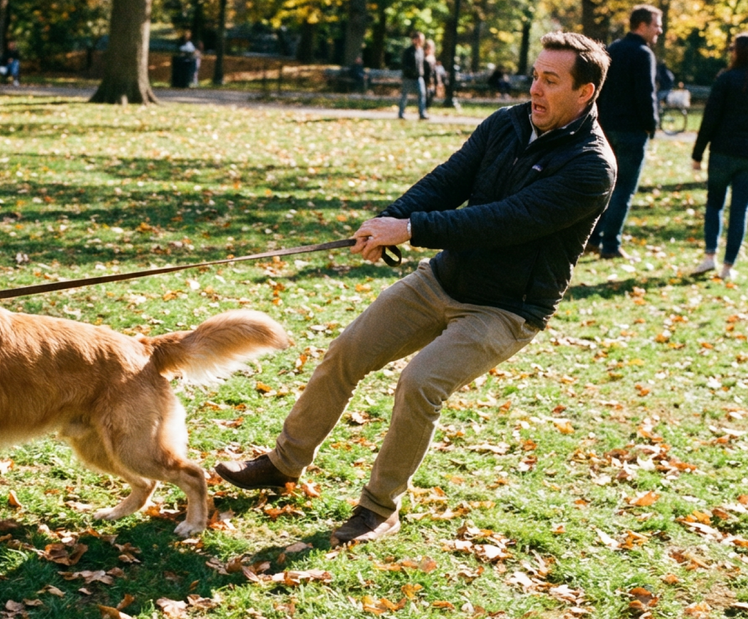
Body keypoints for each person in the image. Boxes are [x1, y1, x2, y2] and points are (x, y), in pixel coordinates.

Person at [215, 31, 615, 547]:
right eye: (535, 75)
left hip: (506, 309)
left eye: (551, 81)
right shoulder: (507, 123)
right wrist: (391, 218)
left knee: (420, 382)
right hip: (444, 279)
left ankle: (379, 509)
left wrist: (411, 230)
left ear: (585, 93)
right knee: (346, 353)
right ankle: (283, 463)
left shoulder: (591, 166)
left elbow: (505, 222)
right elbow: (448, 180)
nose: (535, 89)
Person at [587, 4, 663, 260]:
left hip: (607, 128)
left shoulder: (613, 49)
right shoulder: (643, 54)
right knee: (624, 189)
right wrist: (651, 125)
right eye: (656, 25)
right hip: (632, 131)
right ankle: (611, 244)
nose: (659, 30)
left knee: (605, 186)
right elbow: (646, 94)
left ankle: (592, 239)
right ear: (642, 25)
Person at [688, 33, 748, 281]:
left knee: (715, 204)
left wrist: (697, 153)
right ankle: (728, 265)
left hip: (722, 153)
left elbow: (710, 118)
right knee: (740, 211)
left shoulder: (725, 79)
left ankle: (709, 256)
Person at [398, 32, 428, 120]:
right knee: (405, 95)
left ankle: (422, 113)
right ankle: (401, 113)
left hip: (419, 76)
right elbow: (404, 64)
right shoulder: (408, 51)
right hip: (408, 77)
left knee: (422, 94)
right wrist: (409, 71)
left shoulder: (421, 51)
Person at [423, 41, 439, 108]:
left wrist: (437, 81)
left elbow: (435, 71)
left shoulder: (432, 58)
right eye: (428, 48)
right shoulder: (423, 58)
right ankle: (424, 108)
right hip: (425, 78)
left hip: (431, 79)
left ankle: (427, 107)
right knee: (425, 94)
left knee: (431, 94)